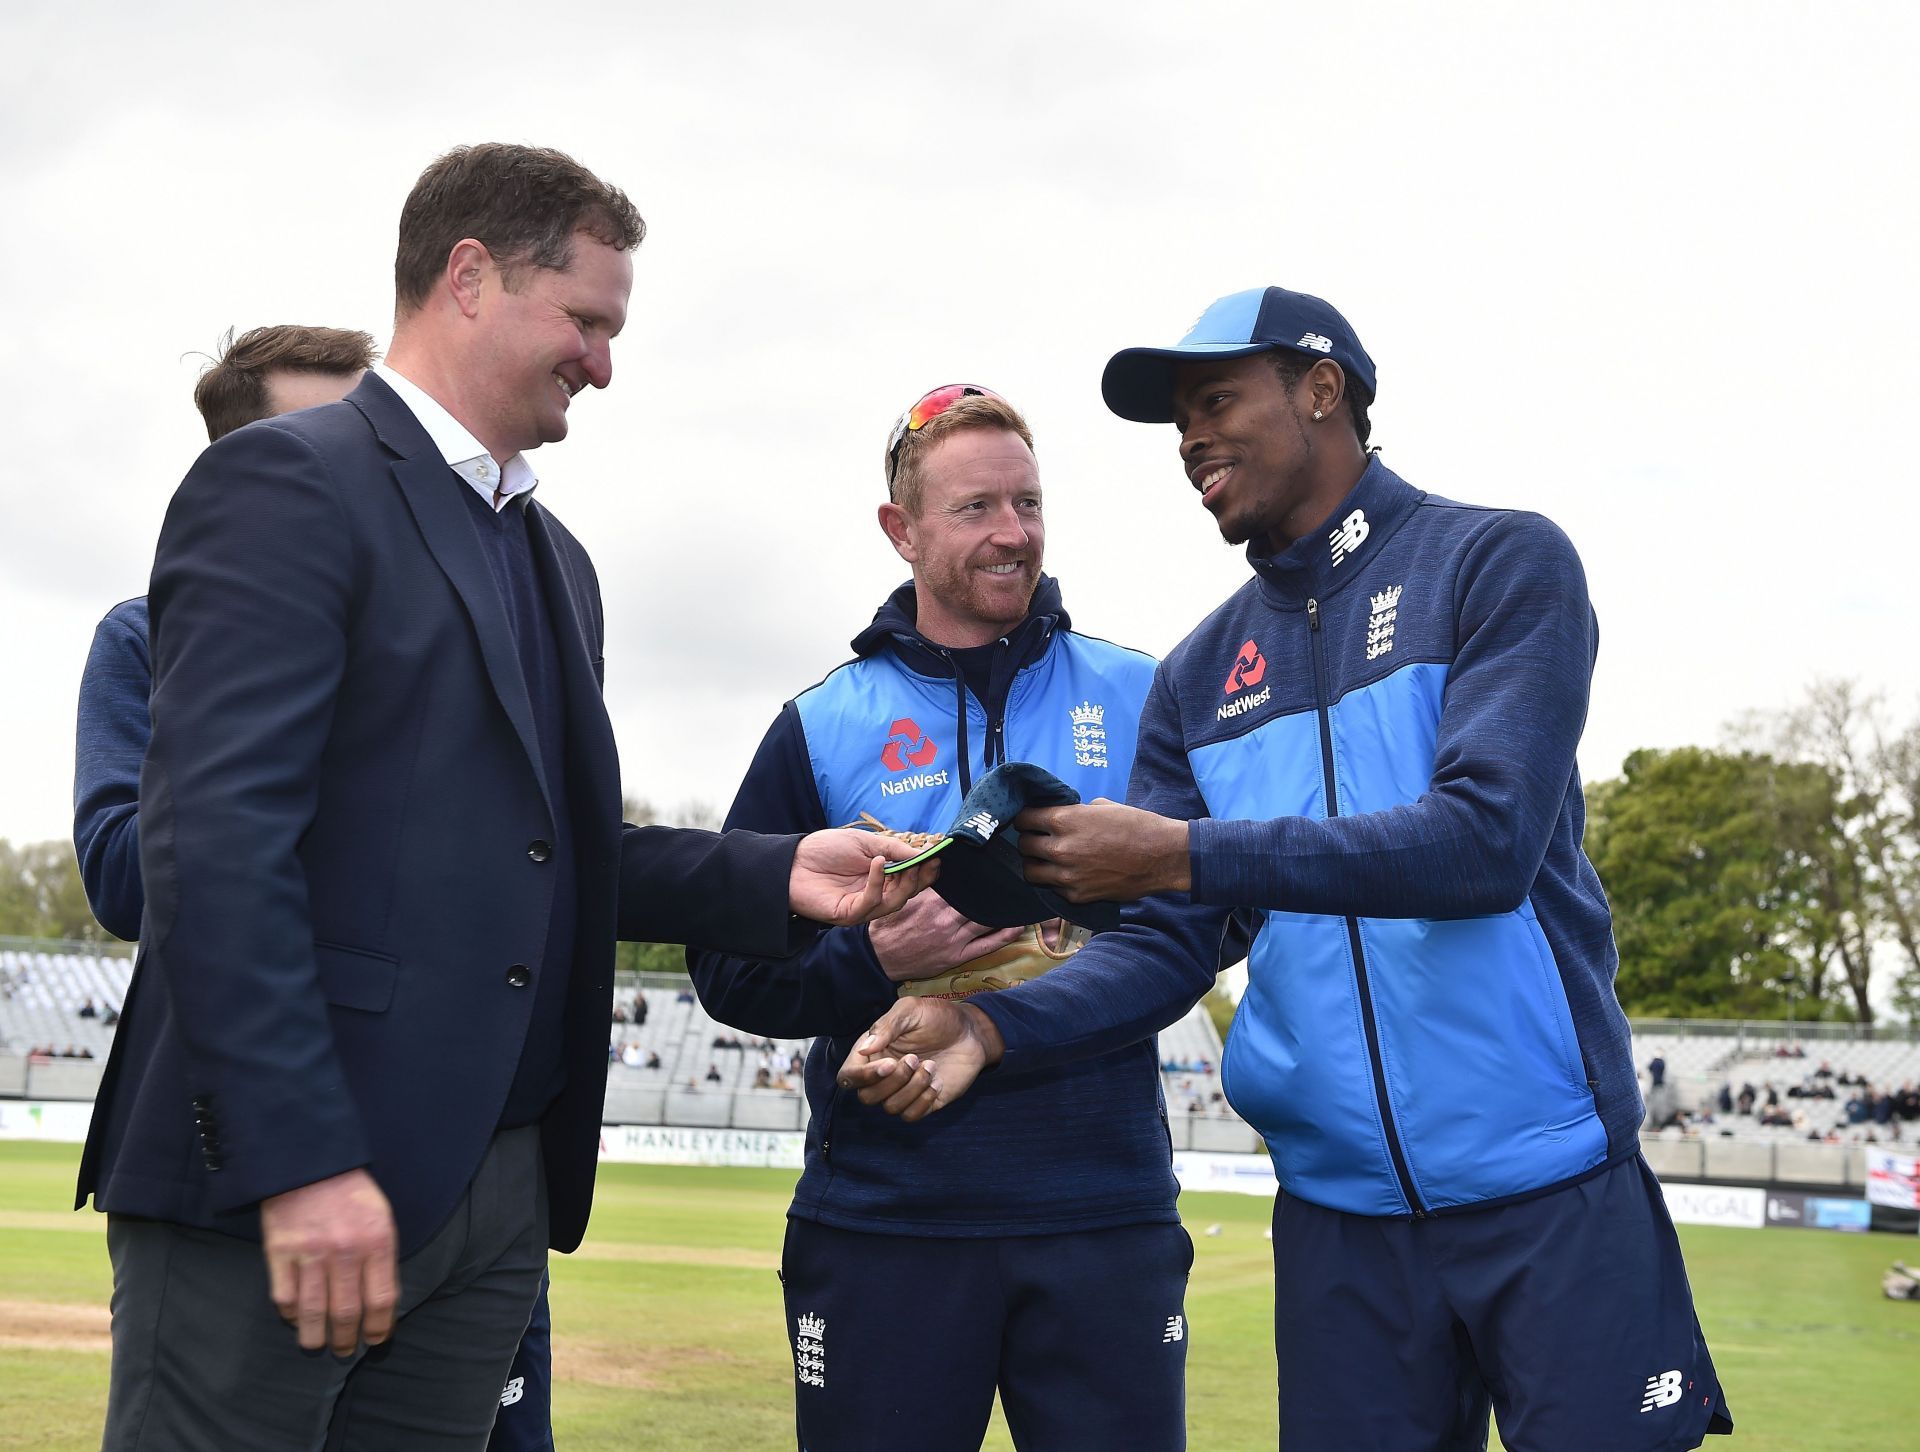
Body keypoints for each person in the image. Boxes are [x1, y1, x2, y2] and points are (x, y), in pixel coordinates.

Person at [74, 142, 926, 1452]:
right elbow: (215, 844)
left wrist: (770, 875)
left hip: (491, 1189)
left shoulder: (557, 559)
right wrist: (296, 1155)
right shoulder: (285, 482)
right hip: (292, 1187)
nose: (603, 361)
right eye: (586, 319)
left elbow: (540, 846)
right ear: (470, 278)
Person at [845, 287, 1732, 1451]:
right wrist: (988, 1030)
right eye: (1179, 423)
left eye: (1216, 401)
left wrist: (1181, 852)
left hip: (1552, 1185)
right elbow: (1171, 944)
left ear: (1324, 390)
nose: (1191, 442)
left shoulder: (1499, 561)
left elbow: (1485, 842)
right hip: (1338, 1221)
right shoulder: (1201, 672)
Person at [71, 319, 567, 1452]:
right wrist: (260, 758)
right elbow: (123, 867)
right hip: (266, 1146)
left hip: (458, 1167)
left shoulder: (490, 597)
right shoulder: (146, 635)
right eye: (337, 431)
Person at [688, 386, 1189, 1452]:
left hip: (1104, 1215)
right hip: (885, 1224)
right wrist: (874, 958)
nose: (1014, 532)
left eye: (1029, 502)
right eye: (975, 509)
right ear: (901, 529)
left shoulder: (1143, 693)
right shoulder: (821, 726)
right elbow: (727, 972)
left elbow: (1213, 921)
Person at [73, 324, 380, 942]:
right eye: (326, 442)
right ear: (245, 470)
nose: (367, 466)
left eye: (369, 438)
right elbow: (120, 888)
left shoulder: (435, 627)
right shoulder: (139, 636)